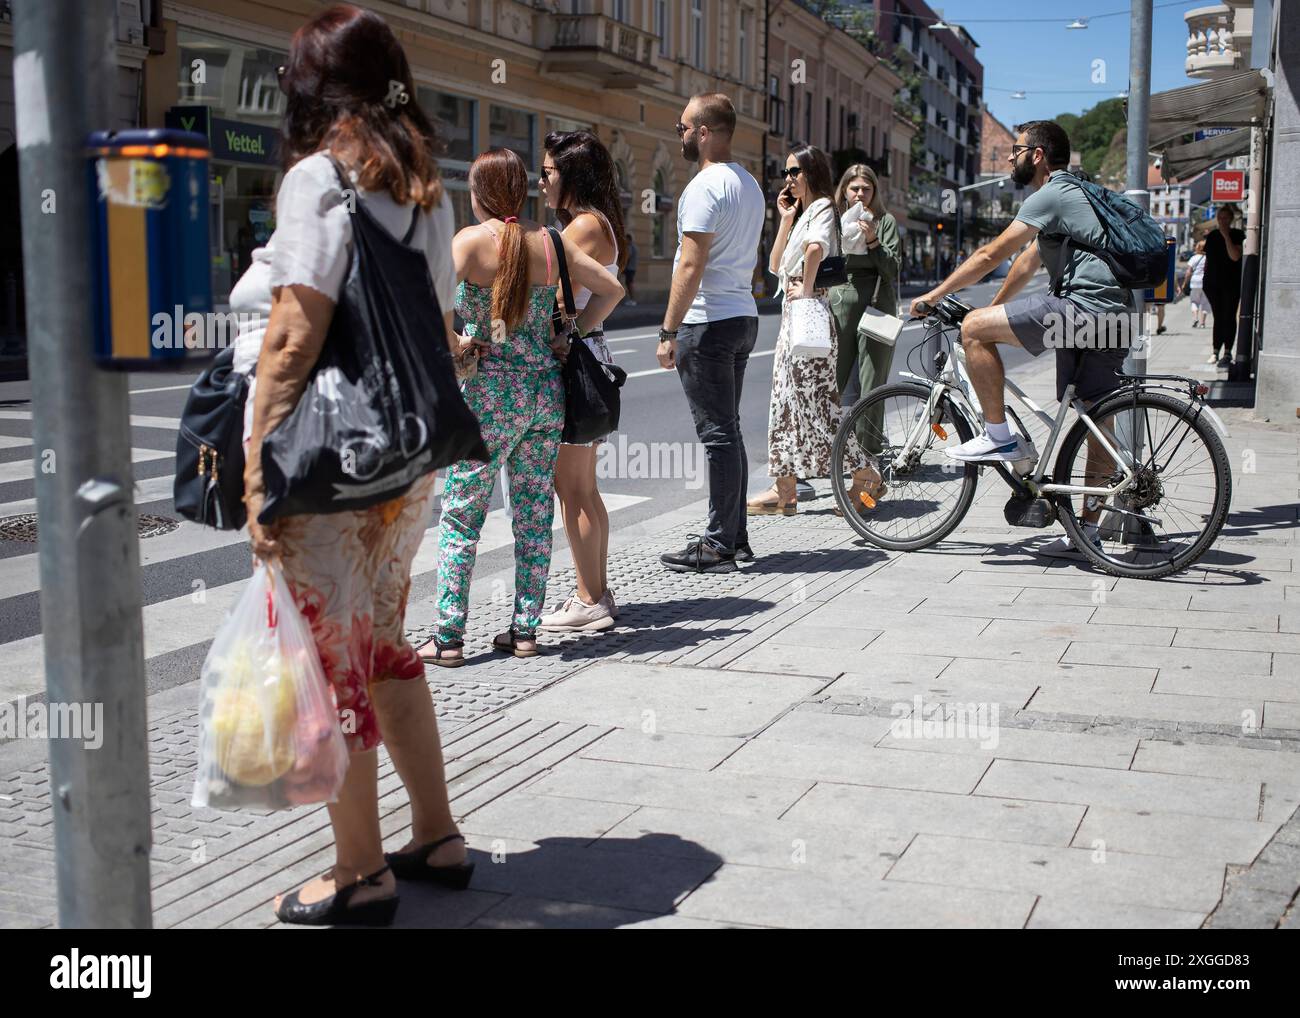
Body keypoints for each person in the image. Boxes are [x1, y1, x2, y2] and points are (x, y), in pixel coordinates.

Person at [238, 3, 469, 927]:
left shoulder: (319, 180)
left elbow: (293, 336)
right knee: (381, 646)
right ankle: (437, 835)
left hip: (327, 462)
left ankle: (361, 871)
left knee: (327, 662)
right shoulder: (425, 184)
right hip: (405, 462)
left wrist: (260, 475)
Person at [418, 147, 623, 664]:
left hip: (487, 398)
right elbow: (612, 287)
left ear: (481, 192)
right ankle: (525, 631)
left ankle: (448, 637)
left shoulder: (469, 243)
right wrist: (571, 330)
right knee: (533, 515)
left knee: (463, 517)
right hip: (544, 398)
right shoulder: (549, 243)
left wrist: (457, 342)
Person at [908, 120, 1132, 555]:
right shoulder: (1080, 198)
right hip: (1114, 317)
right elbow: (1026, 264)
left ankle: (998, 435)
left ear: (1038, 156)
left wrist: (936, 296)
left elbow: (991, 253)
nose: (1010, 157)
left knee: (972, 330)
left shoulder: (1052, 193)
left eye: (1017, 150)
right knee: (1095, 419)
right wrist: (992, 308)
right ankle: (1086, 527)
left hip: (1081, 311)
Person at [656, 93, 765, 573]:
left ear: (703, 132)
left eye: (682, 127)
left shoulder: (704, 186)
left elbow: (690, 262)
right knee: (730, 431)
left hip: (709, 320)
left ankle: (720, 544)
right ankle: (734, 538)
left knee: (719, 434)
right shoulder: (750, 184)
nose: (678, 135)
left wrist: (668, 328)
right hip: (742, 315)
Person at [748, 144, 870, 515]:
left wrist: (806, 288)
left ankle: (866, 475)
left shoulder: (821, 209)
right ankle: (784, 490)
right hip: (796, 314)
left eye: (795, 172)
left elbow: (815, 249)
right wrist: (784, 219)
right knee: (784, 404)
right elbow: (773, 265)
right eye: (786, 173)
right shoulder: (803, 213)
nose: (788, 179)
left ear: (812, 173)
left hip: (809, 312)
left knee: (817, 405)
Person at [536, 130, 625, 633]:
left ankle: (589, 598)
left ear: (572, 174)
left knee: (572, 488)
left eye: (548, 171)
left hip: (577, 365)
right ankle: (597, 593)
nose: (542, 179)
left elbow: (609, 291)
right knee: (583, 487)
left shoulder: (585, 226)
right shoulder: (595, 221)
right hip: (588, 359)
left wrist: (575, 330)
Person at [830, 163, 901, 509]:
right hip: (839, 307)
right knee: (835, 387)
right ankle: (840, 469)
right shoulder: (834, 222)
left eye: (866, 190)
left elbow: (892, 269)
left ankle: (869, 476)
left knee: (872, 389)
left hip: (877, 309)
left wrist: (872, 239)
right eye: (854, 189)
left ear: (875, 193)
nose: (860, 195)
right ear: (844, 190)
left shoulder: (885, 223)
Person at [1201, 205, 1244, 369]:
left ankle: (1227, 352)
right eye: (1220, 218)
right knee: (1218, 317)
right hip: (1212, 284)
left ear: (1231, 219)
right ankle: (1215, 351)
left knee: (1229, 316)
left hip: (1231, 283)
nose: (1222, 221)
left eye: (1225, 218)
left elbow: (1235, 256)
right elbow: (1208, 260)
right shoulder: (1212, 236)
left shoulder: (1237, 235)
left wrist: (1226, 236)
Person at [1177, 239, 1210, 338]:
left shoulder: (1194, 258)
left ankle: (1195, 318)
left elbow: (1188, 272)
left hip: (1195, 282)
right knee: (1205, 303)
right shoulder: (1209, 258)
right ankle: (1203, 323)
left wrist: (1184, 283)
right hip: (1206, 282)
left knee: (1194, 301)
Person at [623, 231, 639, 304]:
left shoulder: (630, 247)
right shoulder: (634, 247)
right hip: (632, 268)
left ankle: (632, 300)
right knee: (629, 283)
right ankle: (632, 299)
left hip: (629, 268)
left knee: (629, 284)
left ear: (629, 239)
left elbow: (628, 257)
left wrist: (623, 265)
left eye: (626, 239)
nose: (625, 240)